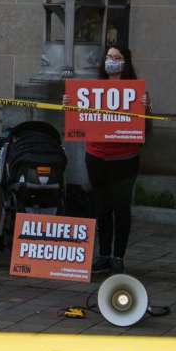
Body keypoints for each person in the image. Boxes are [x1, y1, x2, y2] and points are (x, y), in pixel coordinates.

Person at [62, 45, 150, 274]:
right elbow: (80, 120)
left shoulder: (137, 92)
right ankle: (103, 255)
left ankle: (118, 256)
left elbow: (146, 130)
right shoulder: (91, 90)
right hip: (97, 156)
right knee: (102, 207)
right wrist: (69, 106)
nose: (112, 61)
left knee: (121, 208)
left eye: (117, 58)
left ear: (125, 62)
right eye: (109, 57)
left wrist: (145, 110)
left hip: (125, 159)